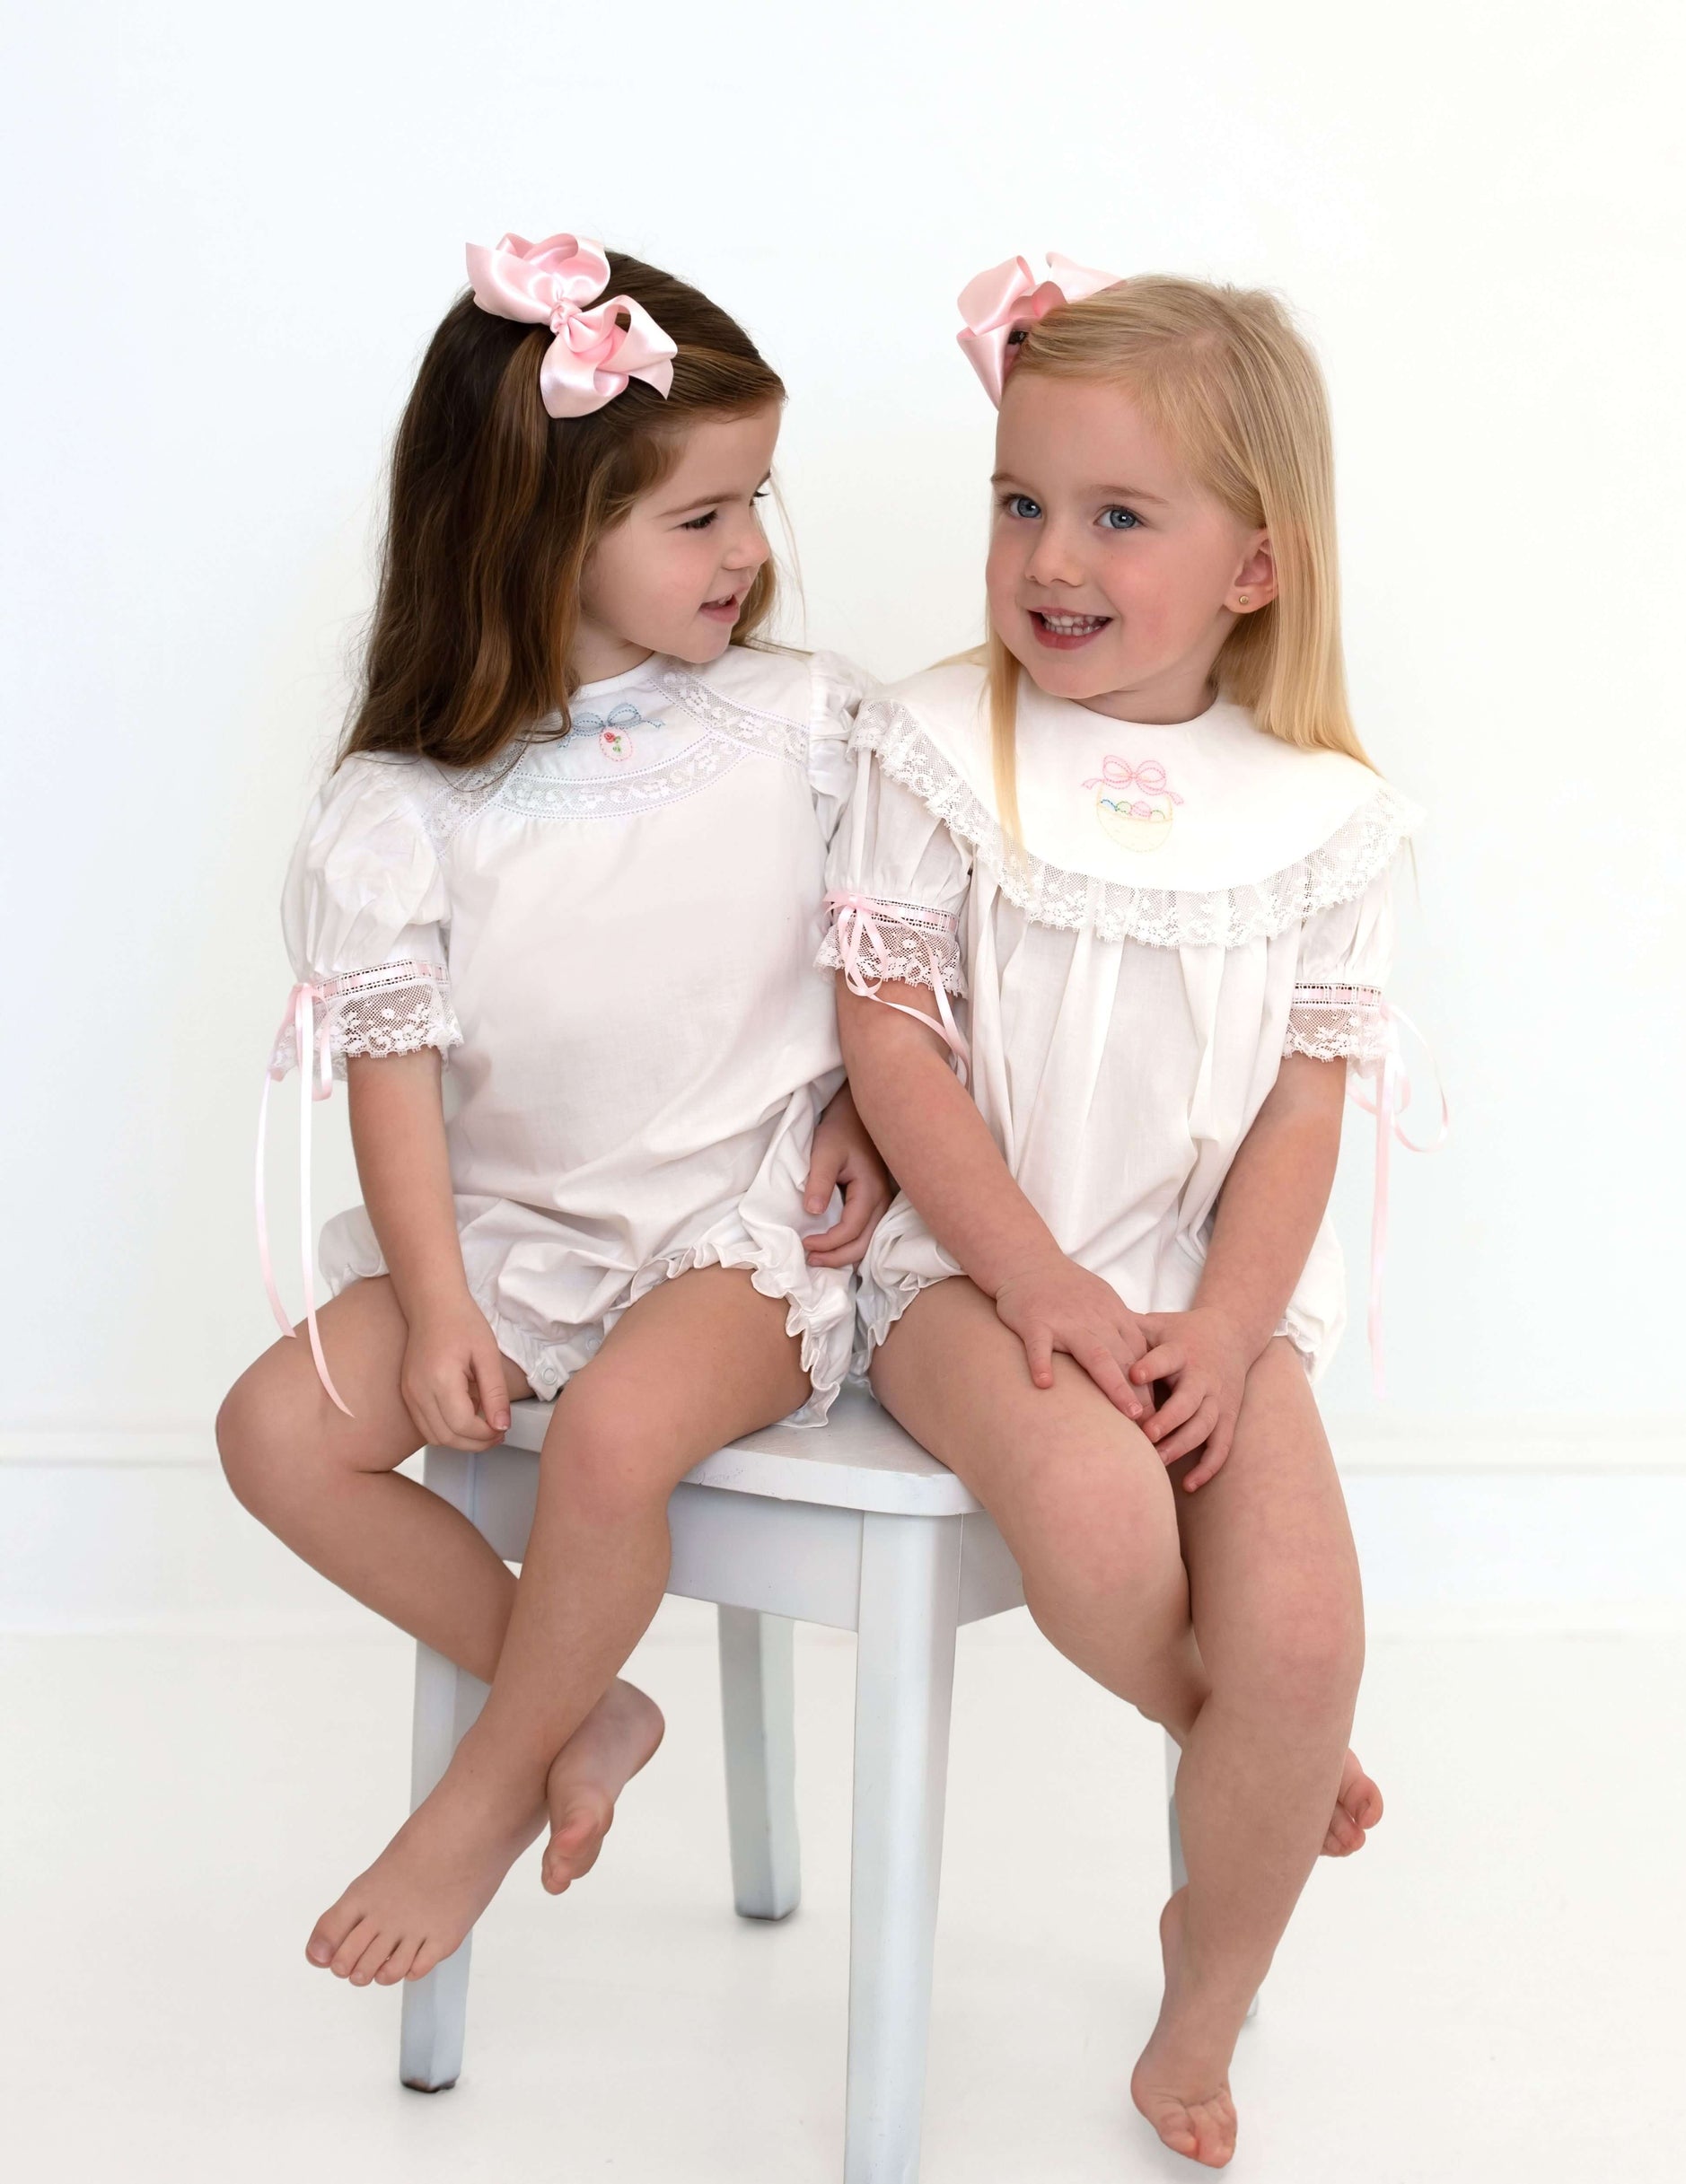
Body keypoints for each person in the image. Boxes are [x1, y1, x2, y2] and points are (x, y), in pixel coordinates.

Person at [217, 232, 889, 1991]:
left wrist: (876, 1130)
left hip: (732, 1236)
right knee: (275, 1428)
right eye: (698, 517)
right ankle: (585, 1705)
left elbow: (915, 970)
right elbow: (395, 1075)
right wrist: (437, 1297)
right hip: (513, 1241)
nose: (749, 550)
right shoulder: (406, 805)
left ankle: (484, 1792)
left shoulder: (799, 726)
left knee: (606, 1443)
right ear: (536, 531)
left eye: (756, 502)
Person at [822, 255, 1432, 2167]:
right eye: (1017, 500)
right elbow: (893, 1046)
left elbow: (1304, 1106)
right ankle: (1242, 1745)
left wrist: (1230, 1325)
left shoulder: (1323, 812)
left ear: (1251, 566)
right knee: (1094, 1510)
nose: (1047, 556)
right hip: (962, 1264)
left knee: (1313, 1618)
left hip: (1196, 1286)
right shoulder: (936, 742)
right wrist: (1035, 1275)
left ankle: (1199, 1991)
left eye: (1113, 516)